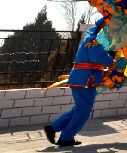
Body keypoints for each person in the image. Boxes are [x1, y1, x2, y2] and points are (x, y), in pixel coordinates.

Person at [43, 18, 116, 148]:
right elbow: (98, 57)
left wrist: (103, 69)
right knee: (84, 110)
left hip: (83, 78)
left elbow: (91, 61)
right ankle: (65, 136)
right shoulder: (94, 40)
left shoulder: (93, 39)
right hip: (85, 80)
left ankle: (54, 128)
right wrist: (111, 62)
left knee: (80, 108)